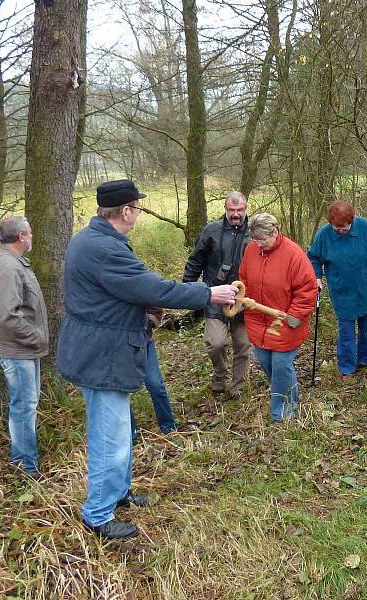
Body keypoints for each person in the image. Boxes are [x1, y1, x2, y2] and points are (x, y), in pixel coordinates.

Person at [57, 179, 237, 540]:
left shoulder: (93, 241)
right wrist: (209, 293)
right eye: (137, 208)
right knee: (110, 436)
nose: (138, 213)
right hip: (102, 355)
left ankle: (118, 494)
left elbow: (134, 290)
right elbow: (152, 288)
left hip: (102, 350)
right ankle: (97, 514)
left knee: (120, 429)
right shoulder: (104, 249)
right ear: (125, 211)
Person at [0, 216, 49, 480]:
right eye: (29, 233)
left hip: (23, 348)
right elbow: (6, 316)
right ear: (22, 236)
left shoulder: (9, 262)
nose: (31, 237)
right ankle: (25, 467)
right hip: (17, 349)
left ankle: (25, 461)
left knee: (26, 404)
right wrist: (36, 338)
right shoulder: (8, 267)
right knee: (23, 406)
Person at [239, 213, 317, 422]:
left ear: (275, 232)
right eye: (255, 240)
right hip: (258, 319)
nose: (259, 244)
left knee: (281, 365)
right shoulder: (251, 250)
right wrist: (243, 298)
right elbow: (244, 277)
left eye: (262, 239)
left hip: (283, 320)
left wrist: (295, 315)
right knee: (266, 362)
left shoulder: (294, 254)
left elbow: (307, 290)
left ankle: (284, 412)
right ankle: (285, 394)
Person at [183, 191, 252, 400]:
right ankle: (219, 377)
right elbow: (196, 261)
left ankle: (238, 386)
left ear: (245, 209)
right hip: (215, 295)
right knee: (216, 343)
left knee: (243, 344)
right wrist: (188, 289)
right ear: (225, 209)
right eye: (232, 210)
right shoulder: (211, 230)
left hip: (243, 299)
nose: (236, 214)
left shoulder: (254, 232)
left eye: (239, 210)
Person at [308, 200, 367, 379]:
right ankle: (347, 368)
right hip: (341, 291)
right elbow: (313, 257)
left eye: (345, 227)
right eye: (338, 228)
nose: (342, 230)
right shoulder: (324, 235)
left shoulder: (365, 228)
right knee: (346, 331)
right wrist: (316, 277)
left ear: (352, 220)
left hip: (366, 288)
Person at [129, 309, 179, 443]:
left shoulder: (141, 286)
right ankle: (130, 435)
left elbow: (155, 295)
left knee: (155, 384)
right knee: (120, 391)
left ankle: (169, 427)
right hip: (115, 344)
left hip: (143, 337)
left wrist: (149, 320)